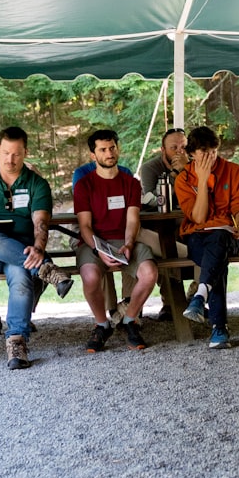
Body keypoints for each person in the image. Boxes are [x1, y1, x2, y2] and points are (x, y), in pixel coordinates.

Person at [0, 126, 71, 370]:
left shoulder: (36, 183)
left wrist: (39, 247)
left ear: (25, 152)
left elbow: (40, 222)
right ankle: (47, 270)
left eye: (17, 154)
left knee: (21, 274)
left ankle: (17, 342)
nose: (11, 159)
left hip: (22, 252)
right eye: (6, 153)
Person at [74, 130, 158, 352]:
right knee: (91, 277)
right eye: (102, 150)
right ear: (93, 155)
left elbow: (133, 219)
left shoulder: (131, 183)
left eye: (112, 148)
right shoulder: (84, 185)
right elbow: (85, 226)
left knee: (150, 273)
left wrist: (129, 244)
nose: (109, 153)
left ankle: (130, 320)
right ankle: (102, 324)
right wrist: (99, 250)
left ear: (117, 148)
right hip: (94, 243)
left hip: (125, 242)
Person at [174, 126, 239, 349]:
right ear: (192, 154)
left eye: (213, 151)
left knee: (219, 242)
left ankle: (202, 298)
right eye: (203, 152)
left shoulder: (234, 171)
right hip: (198, 235)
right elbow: (198, 217)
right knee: (216, 260)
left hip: (229, 235)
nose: (210, 157)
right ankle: (217, 326)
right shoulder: (184, 179)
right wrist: (202, 180)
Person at [138, 127, 190, 321]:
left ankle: (196, 297)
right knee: (164, 243)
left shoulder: (196, 165)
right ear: (163, 150)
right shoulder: (151, 168)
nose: (179, 151)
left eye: (184, 146)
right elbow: (152, 200)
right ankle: (170, 303)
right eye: (174, 147)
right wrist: (176, 173)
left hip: (190, 223)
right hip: (161, 225)